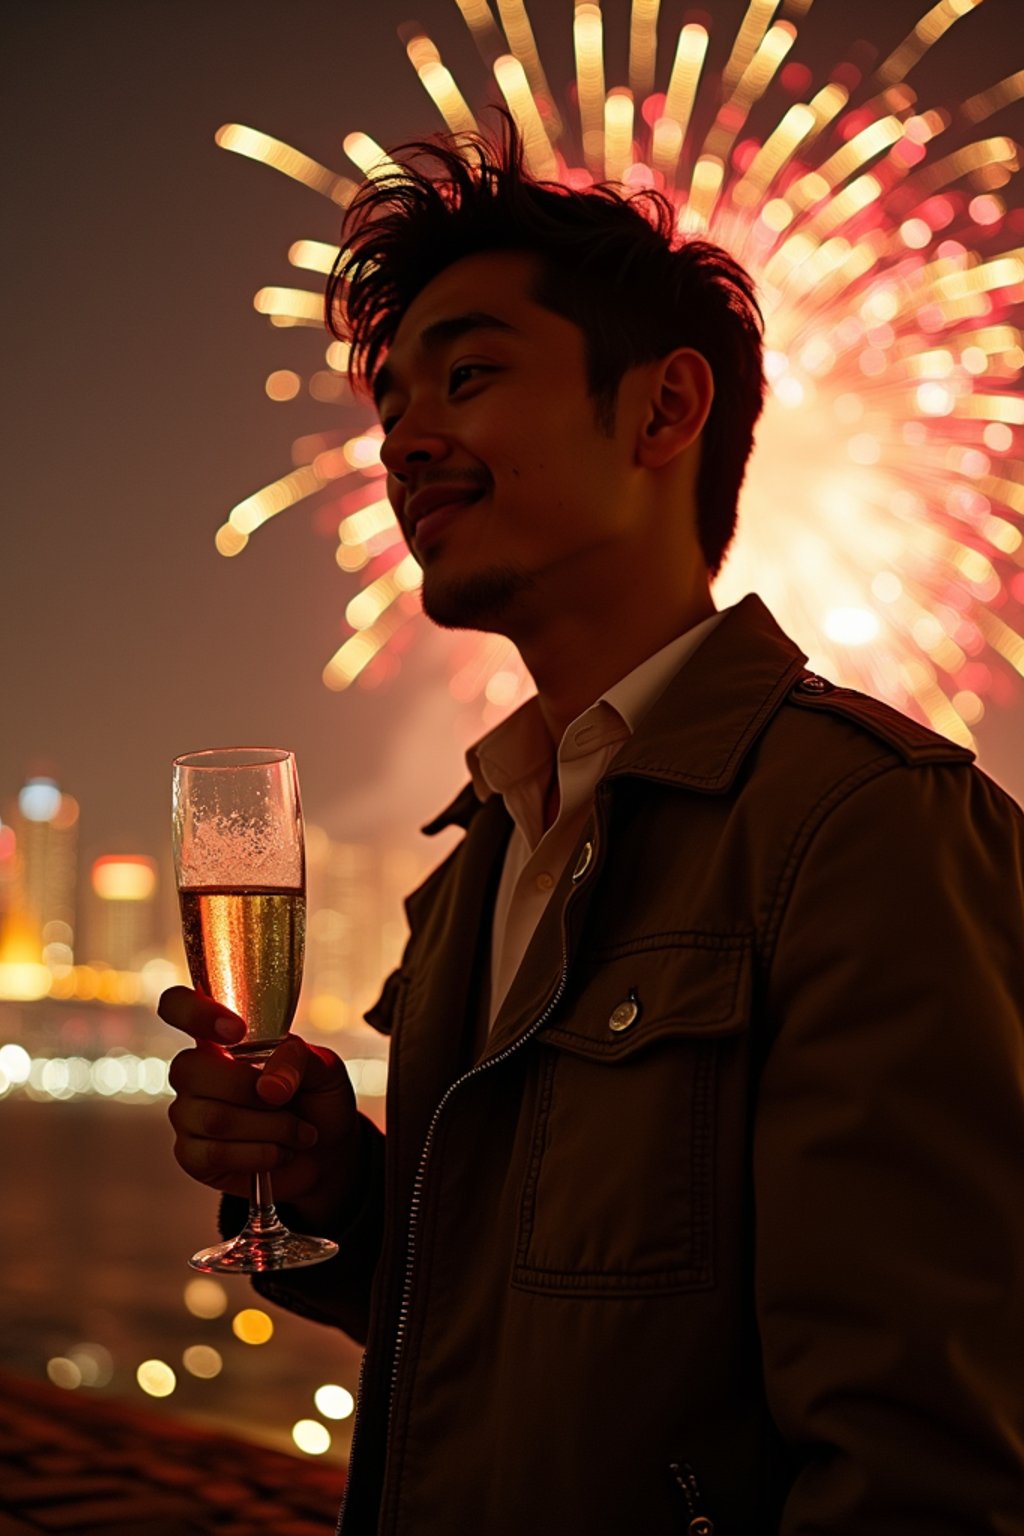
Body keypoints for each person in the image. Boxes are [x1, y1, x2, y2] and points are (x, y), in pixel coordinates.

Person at [160, 117, 1024, 1534]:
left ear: (665, 412)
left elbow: (922, 1458)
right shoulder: (482, 860)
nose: (406, 442)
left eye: (473, 375)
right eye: (391, 409)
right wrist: (351, 1195)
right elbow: (540, 1348)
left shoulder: (867, 830)